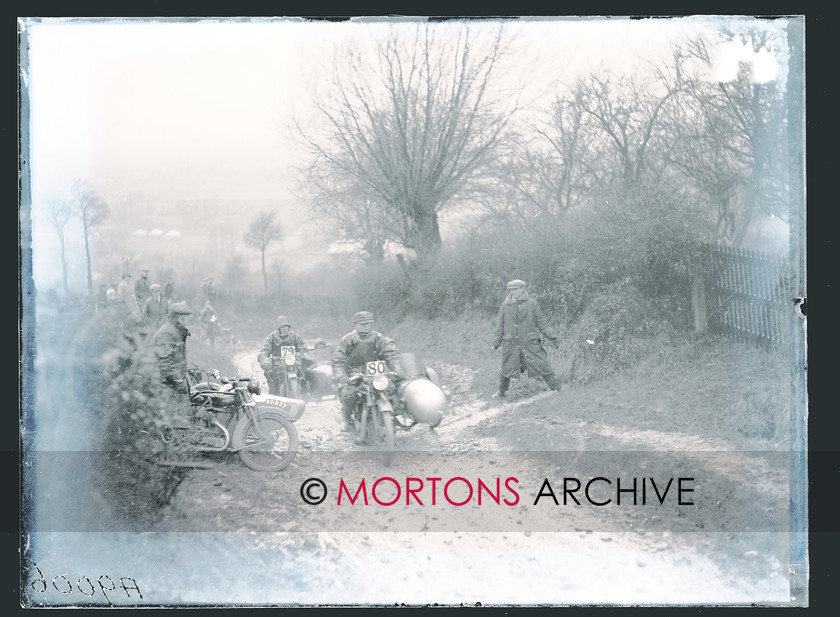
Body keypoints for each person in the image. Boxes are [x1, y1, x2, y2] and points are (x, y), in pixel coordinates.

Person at [492, 279, 561, 398]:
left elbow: (542, 322)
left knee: (543, 364)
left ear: (523, 289)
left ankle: (557, 388)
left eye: (516, 289)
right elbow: (500, 325)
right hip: (511, 343)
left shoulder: (532, 303)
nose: (513, 292)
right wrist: (496, 341)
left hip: (530, 342)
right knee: (506, 367)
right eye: (511, 290)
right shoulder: (505, 305)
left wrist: (552, 336)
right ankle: (501, 392)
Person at [331, 311, 399, 431]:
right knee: (349, 395)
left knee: (392, 389)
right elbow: (338, 359)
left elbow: (390, 355)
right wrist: (341, 375)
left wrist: (397, 369)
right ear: (356, 324)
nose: (365, 326)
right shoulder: (348, 339)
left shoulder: (379, 338)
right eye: (362, 324)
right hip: (354, 374)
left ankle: (391, 418)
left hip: (376, 375)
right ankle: (347, 420)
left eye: (368, 323)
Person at [258, 315, 312, 394]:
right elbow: (266, 349)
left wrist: (303, 354)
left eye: (286, 326)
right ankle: (274, 393)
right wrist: (264, 357)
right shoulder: (272, 337)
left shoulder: (295, 336)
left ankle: (304, 391)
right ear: (279, 328)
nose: (284, 329)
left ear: (289, 327)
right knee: (270, 373)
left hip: (293, 361)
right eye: (282, 327)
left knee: (304, 371)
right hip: (278, 362)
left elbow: (303, 347)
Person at [152, 301, 193, 394]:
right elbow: (164, 362)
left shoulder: (175, 330)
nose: (189, 320)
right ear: (181, 318)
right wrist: (178, 381)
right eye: (188, 317)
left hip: (170, 383)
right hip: (164, 386)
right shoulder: (167, 333)